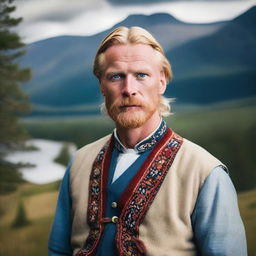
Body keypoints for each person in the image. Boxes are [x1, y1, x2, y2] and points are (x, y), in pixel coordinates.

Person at [48, 26, 247, 256]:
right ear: (102, 86)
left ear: (161, 82)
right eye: (116, 76)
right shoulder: (80, 162)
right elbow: (58, 250)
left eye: (141, 75)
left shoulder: (206, 173)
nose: (129, 89)